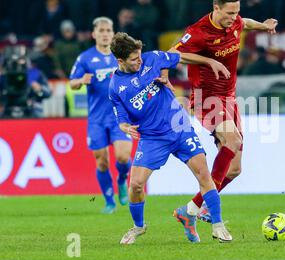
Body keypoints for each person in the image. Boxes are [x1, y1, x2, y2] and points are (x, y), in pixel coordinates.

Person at [108, 32, 232, 244]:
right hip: (152, 138)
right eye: (134, 59)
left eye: (139, 56)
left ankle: (218, 226)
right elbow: (121, 116)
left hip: (179, 127)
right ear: (120, 61)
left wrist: (209, 60)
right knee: (136, 184)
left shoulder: (152, 58)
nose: (139, 61)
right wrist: (124, 126)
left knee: (204, 174)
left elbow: (181, 55)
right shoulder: (115, 87)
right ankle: (138, 227)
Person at [171, 0, 278, 223]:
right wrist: (207, 59)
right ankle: (208, 207)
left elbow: (244, 23)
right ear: (216, 8)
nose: (234, 17)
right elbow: (171, 54)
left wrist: (263, 25)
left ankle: (189, 210)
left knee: (235, 170)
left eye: (236, 12)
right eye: (229, 12)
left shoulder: (235, 21)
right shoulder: (198, 32)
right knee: (234, 140)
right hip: (206, 97)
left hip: (229, 97)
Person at [69, 17, 132, 214]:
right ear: (94, 34)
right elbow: (71, 83)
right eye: (101, 30)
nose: (105, 34)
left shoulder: (121, 56)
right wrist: (81, 80)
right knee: (102, 161)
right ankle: (109, 201)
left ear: (113, 33)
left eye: (108, 30)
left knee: (123, 156)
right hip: (96, 118)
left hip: (120, 116)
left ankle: (122, 180)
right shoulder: (85, 58)